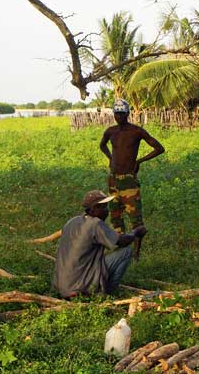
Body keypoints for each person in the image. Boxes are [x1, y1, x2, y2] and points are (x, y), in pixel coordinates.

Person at [99, 99, 165, 259]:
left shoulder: (136, 131)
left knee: (136, 219)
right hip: (113, 180)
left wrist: (139, 161)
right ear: (113, 114)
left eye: (122, 113)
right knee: (115, 216)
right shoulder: (111, 131)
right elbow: (102, 145)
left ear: (127, 114)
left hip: (129, 180)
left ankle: (136, 253)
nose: (119, 117)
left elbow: (159, 148)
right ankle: (120, 251)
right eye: (116, 113)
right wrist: (110, 157)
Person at [52, 190, 148, 298]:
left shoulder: (71, 221)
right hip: (78, 287)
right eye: (103, 208)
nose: (107, 211)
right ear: (94, 209)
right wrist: (135, 232)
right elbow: (121, 241)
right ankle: (108, 292)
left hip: (60, 287)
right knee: (126, 251)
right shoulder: (95, 224)